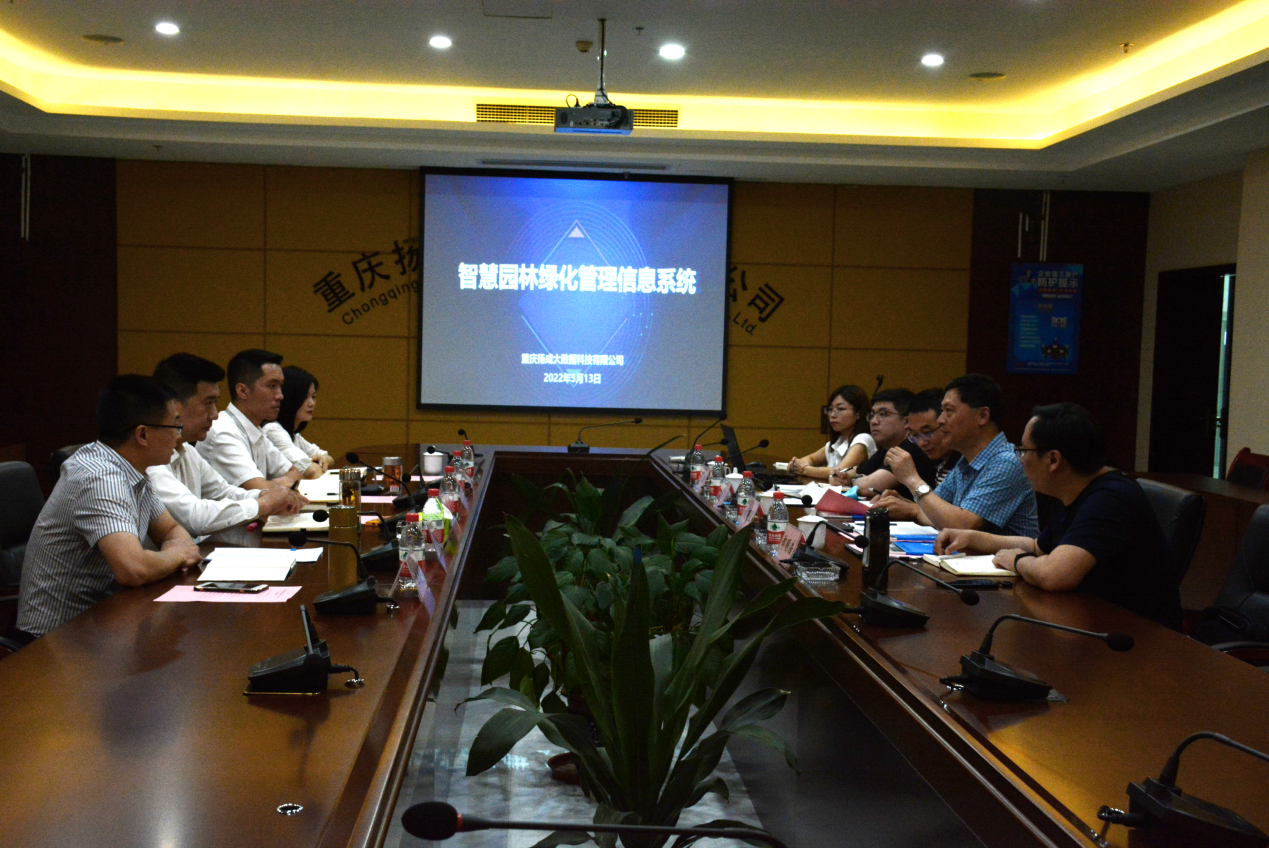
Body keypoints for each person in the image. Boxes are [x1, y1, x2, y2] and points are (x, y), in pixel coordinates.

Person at [934, 403, 1181, 629]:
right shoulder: (1077, 491)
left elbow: (1054, 575)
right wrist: (971, 538)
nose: (1020, 461)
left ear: (1053, 459)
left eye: (1023, 451)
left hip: (1136, 638)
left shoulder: (1110, 499)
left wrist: (1017, 561)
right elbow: (1038, 546)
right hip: (1091, 620)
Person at [15, 376, 203, 640]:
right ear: (142, 434)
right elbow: (133, 569)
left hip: (105, 621)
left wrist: (174, 550)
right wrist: (178, 554)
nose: (179, 436)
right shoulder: (100, 478)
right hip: (56, 641)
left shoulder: (132, 469)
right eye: (174, 426)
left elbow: (170, 529)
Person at [149, 353, 306, 540]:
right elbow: (194, 516)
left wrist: (271, 496)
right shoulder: (151, 459)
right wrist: (265, 503)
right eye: (208, 403)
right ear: (173, 406)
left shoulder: (187, 450)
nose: (215, 414)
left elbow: (224, 492)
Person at [874, 374, 1039, 537]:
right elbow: (935, 513)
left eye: (949, 411)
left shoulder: (1006, 462)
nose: (940, 420)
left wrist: (911, 479)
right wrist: (907, 506)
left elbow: (962, 526)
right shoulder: (966, 460)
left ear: (982, 416)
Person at [198, 349, 304, 490]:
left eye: (280, 386)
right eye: (272, 386)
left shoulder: (255, 427)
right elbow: (260, 490)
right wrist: (279, 484)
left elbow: (295, 472)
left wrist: (274, 485)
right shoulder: (223, 432)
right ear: (243, 391)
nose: (280, 395)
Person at [841, 388, 957, 496]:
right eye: (872, 415)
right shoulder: (889, 447)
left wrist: (852, 479)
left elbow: (868, 487)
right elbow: (853, 471)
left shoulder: (912, 448)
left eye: (883, 414)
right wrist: (909, 506)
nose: (874, 421)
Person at [789, 384, 874, 480]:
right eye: (830, 409)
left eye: (840, 409)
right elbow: (810, 459)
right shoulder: (837, 442)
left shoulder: (863, 439)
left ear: (858, 413)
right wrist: (795, 465)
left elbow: (839, 472)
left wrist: (804, 469)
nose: (832, 415)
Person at [263, 366, 333, 479]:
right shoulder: (273, 430)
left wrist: (323, 459)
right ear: (290, 398)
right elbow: (311, 472)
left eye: (313, 397)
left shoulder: (294, 434)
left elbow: (330, 459)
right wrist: (316, 463)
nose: (311, 403)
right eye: (305, 397)